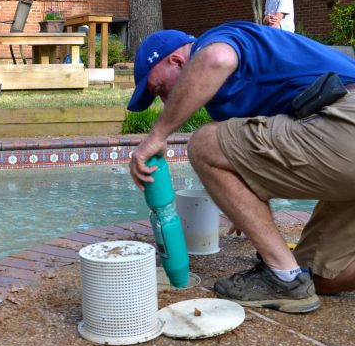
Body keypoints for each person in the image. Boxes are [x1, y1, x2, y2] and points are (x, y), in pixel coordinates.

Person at [128, 21, 355, 314]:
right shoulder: (230, 101)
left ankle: (283, 279)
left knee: (204, 144)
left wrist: (157, 136)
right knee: (320, 274)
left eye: (160, 88)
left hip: (345, 119)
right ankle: (293, 278)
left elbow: (216, 59)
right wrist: (244, 202)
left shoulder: (214, 41)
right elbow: (271, 150)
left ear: (177, 60)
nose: (165, 99)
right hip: (338, 141)